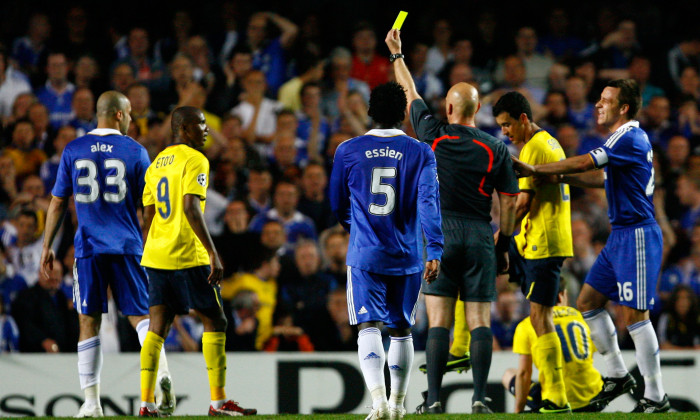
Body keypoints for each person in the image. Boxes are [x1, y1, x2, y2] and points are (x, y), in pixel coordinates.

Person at [512, 79, 670, 413]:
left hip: (638, 234)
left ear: (623, 107)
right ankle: (616, 374)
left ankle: (656, 396)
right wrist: (560, 177)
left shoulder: (629, 136)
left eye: (605, 100)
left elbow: (587, 163)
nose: (598, 104)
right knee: (587, 303)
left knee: (635, 316)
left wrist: (537, 169)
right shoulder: (621, 139)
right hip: (621, 235)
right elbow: (601, 178)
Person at [386, 29, 519, 414]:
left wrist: (398, 55)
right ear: (477, 111)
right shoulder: (496, 147)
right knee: (478, 319)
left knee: (439, 319)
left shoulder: (433, 134)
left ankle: (436, 400)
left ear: (448, 109)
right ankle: (479, 397)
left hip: (439, 234)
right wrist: (504, 242)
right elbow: (508, 203)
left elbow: (409, 94)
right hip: (480, 234)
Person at [40, 91, 174, 417]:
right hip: (128, 245)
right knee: (142, 317)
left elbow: (58, 202)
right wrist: (147, 239)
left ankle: (91, 402)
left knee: (89, 320)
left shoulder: (73, 149)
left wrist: (47, 246)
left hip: (88, 249)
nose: (131, 120)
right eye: (128, 114)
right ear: (117, 114)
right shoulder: (136, 151)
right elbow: (150, 206)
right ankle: (164, 375)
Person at [329, 81, 444, 420]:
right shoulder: (421, 151)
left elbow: (337, 202)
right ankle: (397, 404)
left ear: (369, 112)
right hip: (407, 255)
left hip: (366, 254)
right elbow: (428, 201)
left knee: (368, 326)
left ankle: (378, 402)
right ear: (403, 113)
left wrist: (355, 226)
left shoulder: (348, 149)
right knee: (401, 328)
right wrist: (434, 248)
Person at [138, 106, 256, 417]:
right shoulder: (195, 160)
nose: (206, 130)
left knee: (157, 327)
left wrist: (147, 251)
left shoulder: (155, 165)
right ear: (185, 128)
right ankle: (218, 403)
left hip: (157, 254)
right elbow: (191, 208)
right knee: (215, 320)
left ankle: (146, 404)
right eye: (201, 124)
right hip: (187, 253)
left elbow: (147, 217)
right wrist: (213, 252)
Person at [493, 91, 573, 413]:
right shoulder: (549, 142)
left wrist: (500, 236)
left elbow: (523, 203)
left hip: (544, 241)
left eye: (507, 124)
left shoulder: (535, 148)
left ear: (523, 118)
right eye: (500, 126)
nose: (504, 132)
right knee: (539, 316)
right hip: (541, 240)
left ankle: (557, 396)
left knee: (541, 317)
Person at [502, 277, 604, 413]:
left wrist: (518, 412)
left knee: (509, 374)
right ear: (561, 296)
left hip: (555, 401)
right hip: (594, 396)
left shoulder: (527, 325)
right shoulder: (581, 318)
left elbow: (524, 374)